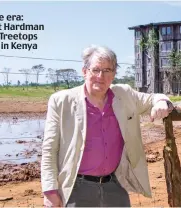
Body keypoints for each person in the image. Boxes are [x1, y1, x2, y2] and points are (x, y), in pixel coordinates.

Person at [41, 45, 173, 207]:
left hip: (115, 185)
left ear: (114, 74)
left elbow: (153, 98)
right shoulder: (61, 101)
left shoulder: (124, 95)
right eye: (95, 70)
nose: (100, 76)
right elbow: (49, 149)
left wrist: (161, 102)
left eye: (107, 70)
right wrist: (50, 190)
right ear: (84, 71)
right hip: (77, 188)